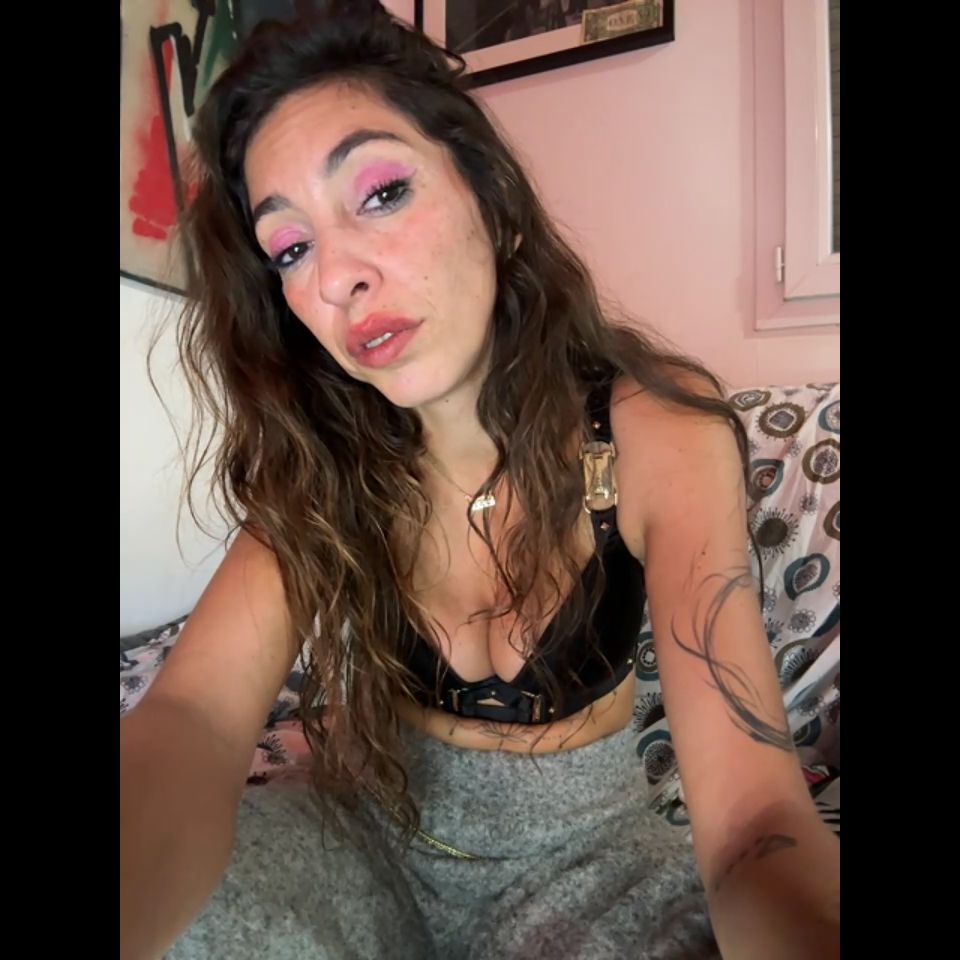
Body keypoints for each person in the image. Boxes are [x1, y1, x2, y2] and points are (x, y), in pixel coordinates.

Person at [119, 4, 840, 958]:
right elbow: (195, 716)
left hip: (585, 864)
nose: (336, 277)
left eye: (380, 193)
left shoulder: (653, 430)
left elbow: (753, 819)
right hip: (366, 842)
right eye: (291, 248)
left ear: (490, 199)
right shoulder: (327, 461)